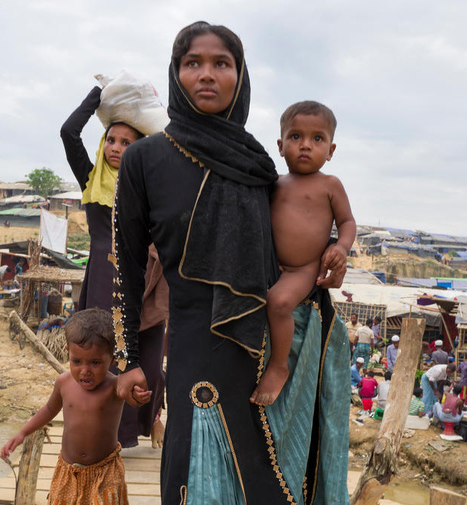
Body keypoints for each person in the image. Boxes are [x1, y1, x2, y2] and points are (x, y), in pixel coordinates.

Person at [113, 21, 349, 504]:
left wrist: (334, 257)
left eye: (222, 64)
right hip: (194, 339)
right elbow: (128, 266)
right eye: (192, 63)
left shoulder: (257, 164)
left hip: (266, 344)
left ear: (239, 77)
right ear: (175, 73)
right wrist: (129, 360)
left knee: (270, 473)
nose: (207, 74)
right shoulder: (144, 159)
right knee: (193, 461)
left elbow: (290, 250)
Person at [61, 75, 170, 449]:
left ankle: (141, 424)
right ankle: (105, 435)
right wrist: (101, 96)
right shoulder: (91, 178)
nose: (116, 148)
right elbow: (68, 133)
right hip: (103, 276)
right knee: (102, 355)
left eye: (127, 142)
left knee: (149, 361)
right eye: (111, 139)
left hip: (146, 278)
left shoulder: (150, 186)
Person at [255, 100, 356, 405]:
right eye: (295, 137)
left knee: (279, 302)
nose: (305, 146)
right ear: (280, 145)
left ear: (331, 150)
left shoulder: (330, 185)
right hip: (271, 266)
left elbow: (348, 222)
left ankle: (278, 365)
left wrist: (341, 247)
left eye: (317, 139)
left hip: (304, 269)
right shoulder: (274, 183)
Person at [0, 309, 143, 505]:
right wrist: (22, 433)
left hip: (104, 472)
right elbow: (49, 410)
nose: (85, 371)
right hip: (68, 471)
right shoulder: (63, 383)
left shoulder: (115, 386)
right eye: (76, 361)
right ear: (68, 352)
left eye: (95, 362)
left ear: (111, 358)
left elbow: (136, 394)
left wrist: (139, 394)